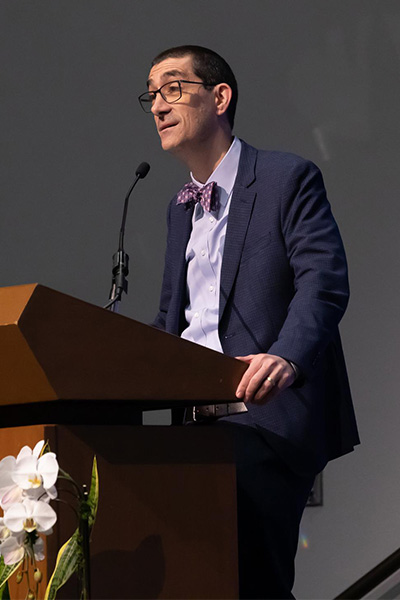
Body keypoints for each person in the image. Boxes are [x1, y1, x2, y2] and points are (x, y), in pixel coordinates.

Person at [139, 45, 359, 599]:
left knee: (253, 584)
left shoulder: (287, 177)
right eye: (151, 94)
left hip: (262, 421)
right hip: (193, 427)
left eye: (172, 88)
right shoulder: (178, 208)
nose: (157, 106)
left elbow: (323, 282)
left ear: (219, 97)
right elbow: (173, 319)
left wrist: (284, 356)